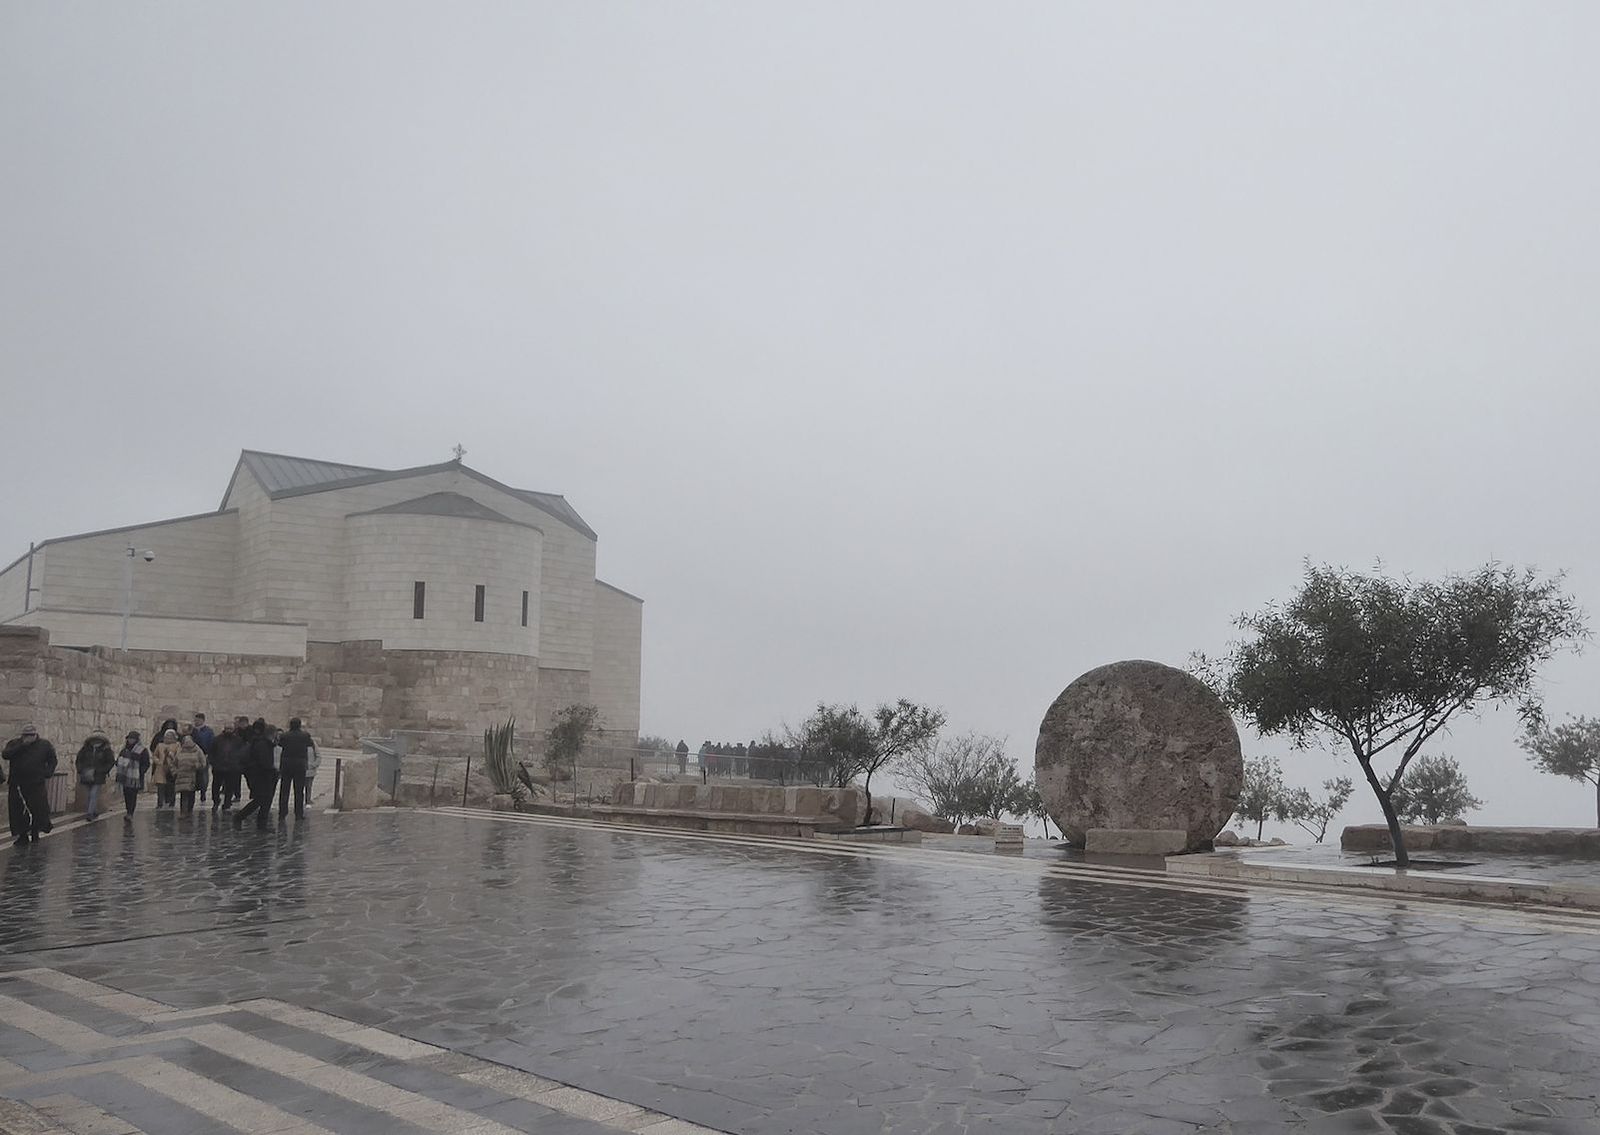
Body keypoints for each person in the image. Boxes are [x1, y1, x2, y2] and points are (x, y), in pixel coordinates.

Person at [3, 724, 58, 846]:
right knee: (19, 811)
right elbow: (6, 755)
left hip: (36, 783)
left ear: (35, 735)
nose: (28, 738)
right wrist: (22, 746)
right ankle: (22, 835)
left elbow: (52, 760)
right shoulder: (15, 744)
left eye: (31, 735)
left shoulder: (44, 745)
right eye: (26, 735)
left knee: (37, 809)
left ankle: (35, 832)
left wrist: (47, 772)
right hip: (17, 784)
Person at [234, 720, 279, 830]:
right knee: (260, 799)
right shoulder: (262, 744)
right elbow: (264, 762)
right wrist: (273, 770)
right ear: (273, 734)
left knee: (265, 799)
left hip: (263, 776)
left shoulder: (263, 743)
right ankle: (239, 816)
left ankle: (261, 824)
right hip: (261, 776)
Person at [74, 730, 117, 822]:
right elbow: (79, 760)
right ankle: (93, 810)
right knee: (90, 794)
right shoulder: (85, 749)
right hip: (86, 775)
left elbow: (110, 762)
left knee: (93, 794)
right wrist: (81, 770)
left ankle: (90, 813)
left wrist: (102, 771)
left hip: (98, 776)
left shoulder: (106, 750)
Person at [277, 718, 314, 821]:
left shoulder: (284, 736)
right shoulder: (305, 736)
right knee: (299, 790)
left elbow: (280, 744)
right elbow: (310, 744)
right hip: (300, 765)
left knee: (284, 790)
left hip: (286, 764)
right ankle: (298, 813)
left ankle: (282, 813)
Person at [211, 722, 246, 813]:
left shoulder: (238, 740)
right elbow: (212, 752)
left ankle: (227, 804)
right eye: (227, 729)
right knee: (216, 786)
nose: (228, 731)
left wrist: (238, 765)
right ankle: (216, 801)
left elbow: (242, 753)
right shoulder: (217, 739)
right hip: (219, 767)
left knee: (229, 787)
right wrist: (214, 763)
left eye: (230, 729)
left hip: (232, 768)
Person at [115, 731, 149, 819]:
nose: (130, 740)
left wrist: (140, 771)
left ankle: (130, 812)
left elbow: (146, 763)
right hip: (125, 776)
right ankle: (128, 810)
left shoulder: (142, 750)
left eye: (132, 739)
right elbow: (119, 760)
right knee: (126, 794)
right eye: (129, 738)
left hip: (135, 778)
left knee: (132, 795)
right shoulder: (124, 750)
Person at [171, 736, 204, 815]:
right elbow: (174, 763)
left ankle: (189, 811)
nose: (187, 743)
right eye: (186, 742)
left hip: (193, 777)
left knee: (191, 795)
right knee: (184, 795)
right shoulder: (180, 750)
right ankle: (183, 812)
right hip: (181, 776)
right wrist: (174, 772)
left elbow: (203, 763)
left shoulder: (197, 750)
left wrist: (196, 765)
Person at [150, 729, 180, 809]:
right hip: (161, 768)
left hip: (171, 768)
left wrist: (172, 756)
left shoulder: (177, 745)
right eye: (167, 737)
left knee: (171, 786)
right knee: (161, 786)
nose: (168, 739)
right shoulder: (160, 745)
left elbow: (178, 756)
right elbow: (155, 755)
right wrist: (158, 761)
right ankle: (160, 803)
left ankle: (171, 802)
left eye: (170, 737)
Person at [190, 713, 214, 803]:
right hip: (192, 755)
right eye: (195, 720)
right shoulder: (192, 731)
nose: (196, 722)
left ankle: (203, 792)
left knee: (203, 774)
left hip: (204, 755)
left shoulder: (208, 731)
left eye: (198, 720)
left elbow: (211, 743)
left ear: (202, 720)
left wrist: (208, 754)